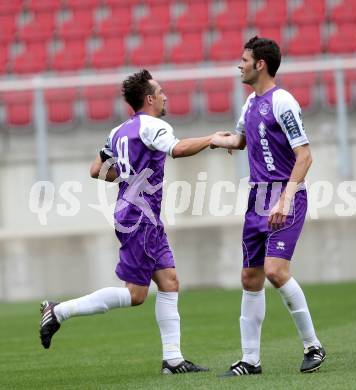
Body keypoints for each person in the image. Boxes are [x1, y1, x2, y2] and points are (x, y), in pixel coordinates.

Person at [39, 69, 222, 375]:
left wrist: (125, 176)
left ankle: (173, 360)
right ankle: (59, 311)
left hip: (139, 214)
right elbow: (177, 149)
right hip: (140, 217)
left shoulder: (118, 131)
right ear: (149, 99)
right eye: (160, 92)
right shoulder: (153, 126)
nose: (164, 96)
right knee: (136, 294)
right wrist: (213, 139)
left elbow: (96, 169)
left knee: (169, 281)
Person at [210, 36, 326, 376]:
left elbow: (304, 155)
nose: (239, 64)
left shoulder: (283, 102)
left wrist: (286, 199)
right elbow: (241, 140)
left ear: (260, 64)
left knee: (275, 271)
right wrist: (217, 141)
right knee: (250, 276)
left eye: (244, 59)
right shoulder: (249, 103)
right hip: (257, 198)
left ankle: (313, 346)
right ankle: (250, 360)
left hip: (284, 197)